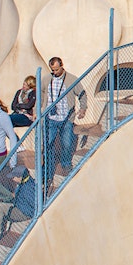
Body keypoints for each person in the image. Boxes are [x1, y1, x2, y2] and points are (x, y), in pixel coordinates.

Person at [41, 57, 87, 188]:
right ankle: (48, 173)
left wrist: (83, 109)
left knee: (67, 143)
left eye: (56, 69)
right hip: (50, 118)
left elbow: (82, 94)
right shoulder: (46, 79)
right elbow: (41, 93)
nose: (54, 72)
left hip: (66, 118)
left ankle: (66, 164)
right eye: (52, 70)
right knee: (48, 146)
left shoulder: (72, 79)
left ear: (62, 66)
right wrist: (38, 110)